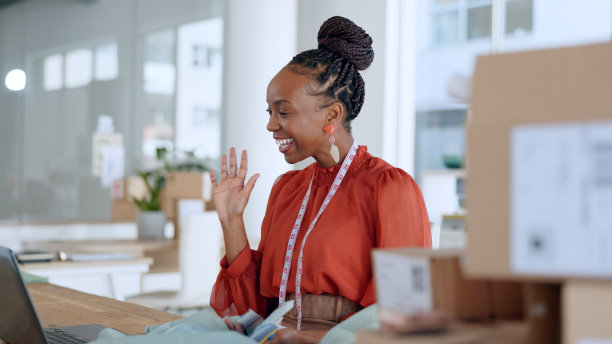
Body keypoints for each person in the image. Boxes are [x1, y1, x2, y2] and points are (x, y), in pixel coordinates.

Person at [209, 16, 431, 344]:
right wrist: (231, 221)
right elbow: (251, 309)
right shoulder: (287, 189)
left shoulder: (389, 187)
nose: (271, 125)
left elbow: (401, 310)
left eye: (283, 112)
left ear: (332, 115)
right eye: (269, 112)